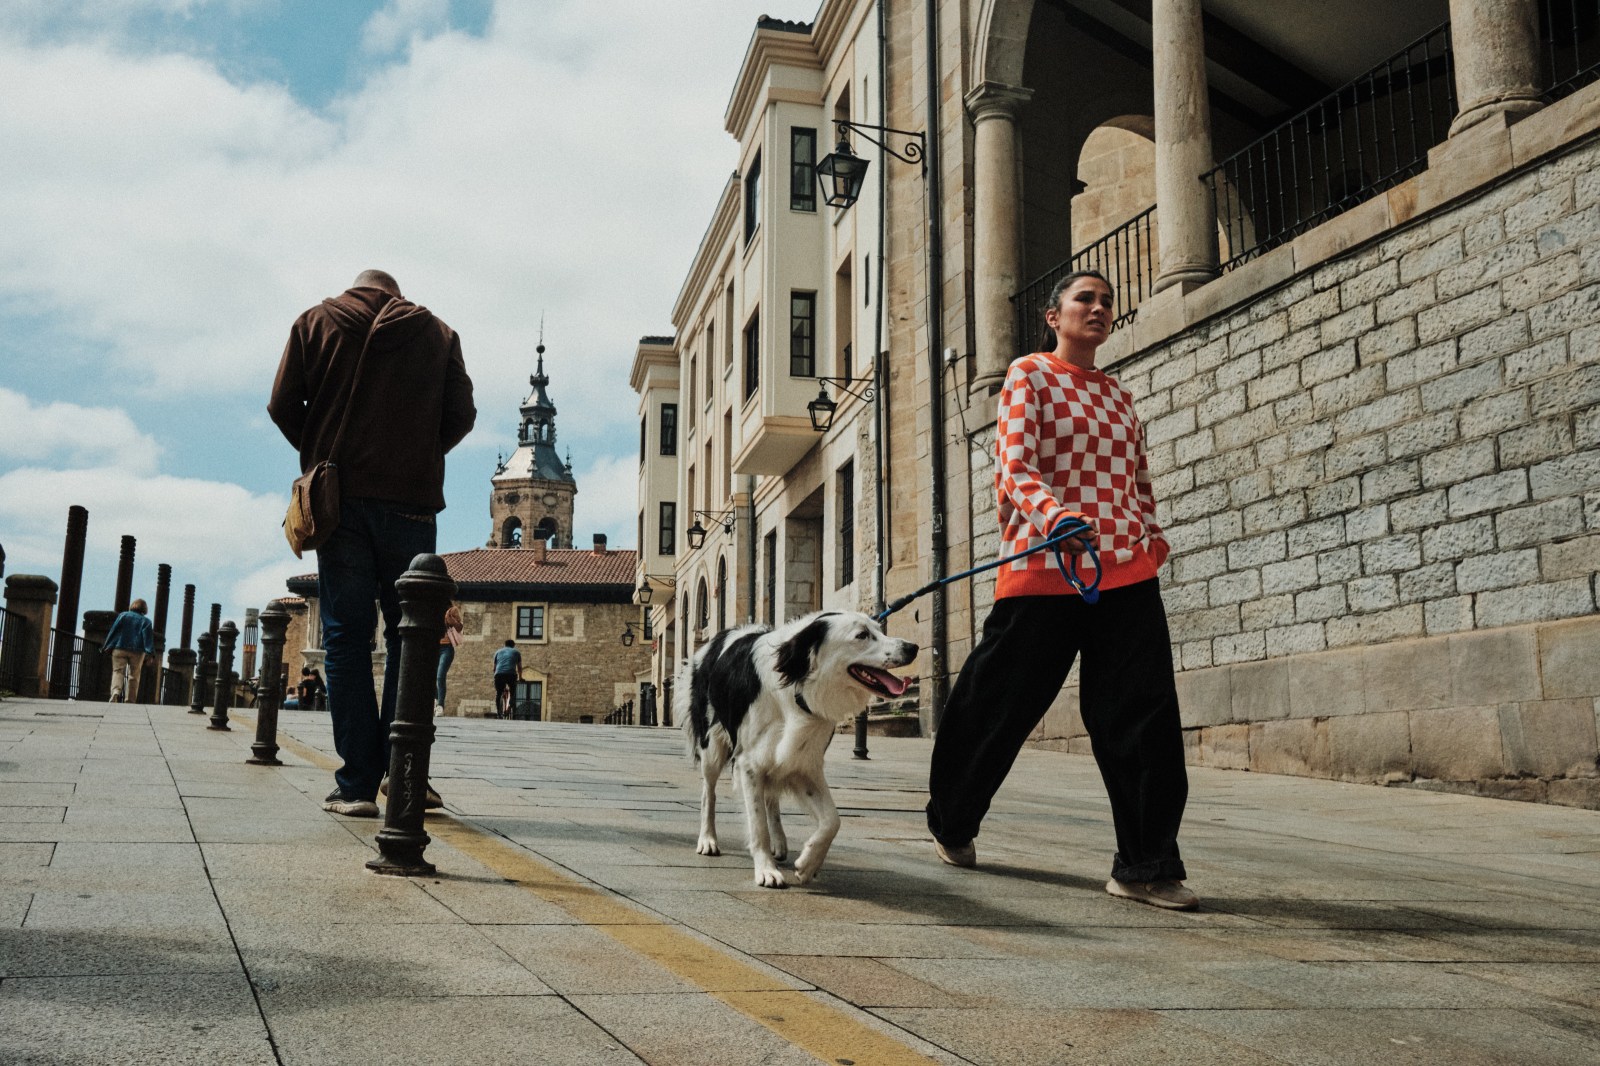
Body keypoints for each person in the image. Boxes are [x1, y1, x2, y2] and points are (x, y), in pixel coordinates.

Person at [925, 270, 1197, 911]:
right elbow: (1015, 465)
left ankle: (1145, 865)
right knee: (999, 704)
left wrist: (1152, 541)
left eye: (1106, 301)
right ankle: (952, 820)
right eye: (1085, 299)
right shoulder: (1029, 374)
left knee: (1144, 716)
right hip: (1044, 564)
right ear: (1054, 316)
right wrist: (1055, 519)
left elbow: (1138, 481)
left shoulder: (1120, 396)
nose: (1098, 308)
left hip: (1125, 571)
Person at [268, 269, 475, 817]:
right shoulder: (438, 334)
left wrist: (322, 452)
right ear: (397, 295)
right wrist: (415, 456)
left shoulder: (313, 324)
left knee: (345, 636)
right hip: (412, 503)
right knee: (413, 636)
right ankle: (403, 775)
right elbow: (462, 416)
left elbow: (282, 405)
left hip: (339, 502)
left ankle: (357, 783)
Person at [103, 599, 154, 703]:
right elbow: (147, 638)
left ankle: (115, 692)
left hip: (119, 647)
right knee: (134, 676)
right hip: (137, 651)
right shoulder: (146, 621)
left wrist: (107, 645)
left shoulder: (123, 615)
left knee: (118, 671)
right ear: (144, 608)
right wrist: (150, 653)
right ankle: (130, 700)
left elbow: (114, 631)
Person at [436, 602, 464, 710]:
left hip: (446, 648)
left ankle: (440, 705)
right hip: (433, 647)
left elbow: (460, 627)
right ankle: (436, 700)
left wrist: (452, 621)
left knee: (440, 676)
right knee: (430, 676)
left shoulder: (451, 610)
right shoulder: (431, 606)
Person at [492, 639, 521, 718]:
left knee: (498, 693)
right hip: (511, 674)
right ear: (513, 645)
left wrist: (495, 676)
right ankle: (509, 706)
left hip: (499, 674)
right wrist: (520, 677)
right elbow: (519, 667)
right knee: (512, 692)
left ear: (504, 645)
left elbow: (494, 668)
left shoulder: (497, 652)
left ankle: (498, 713)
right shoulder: (516, 652)